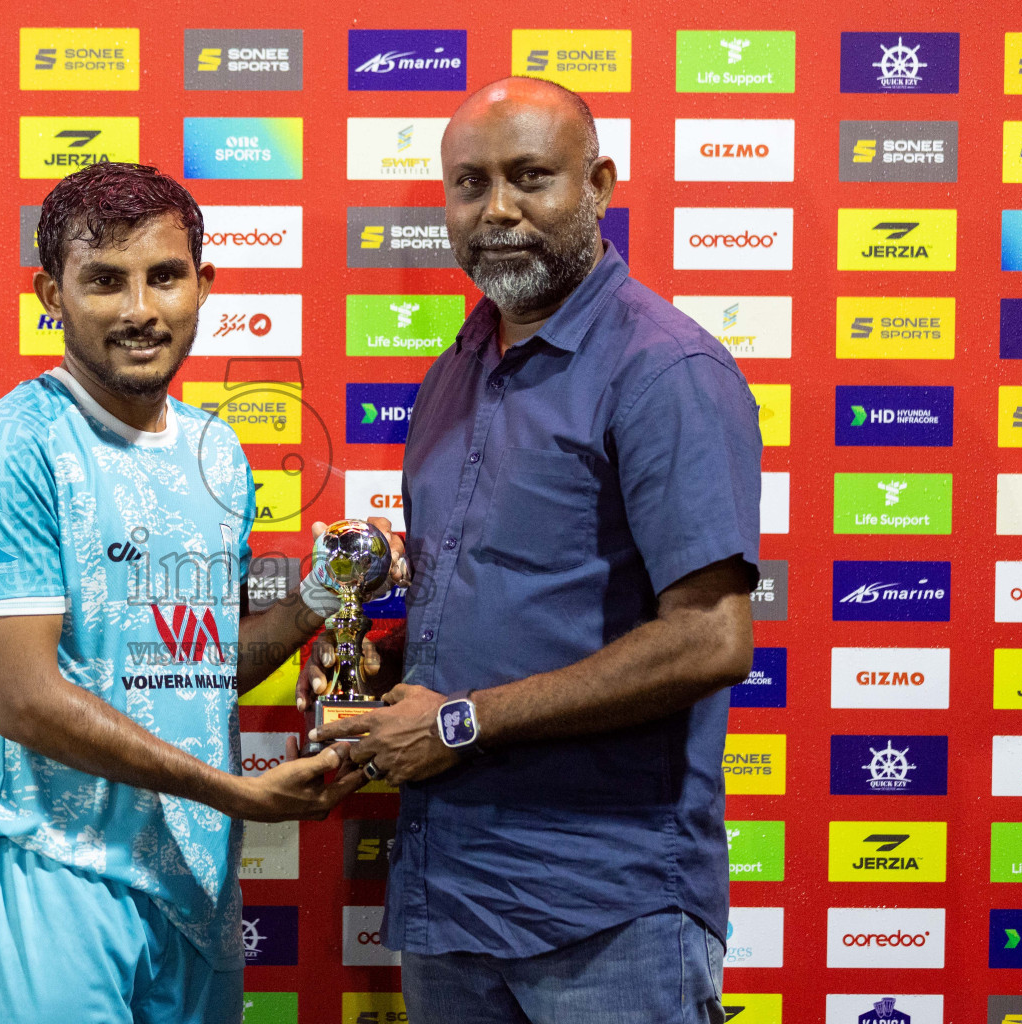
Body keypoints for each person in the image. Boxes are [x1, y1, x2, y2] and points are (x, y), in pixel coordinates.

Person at [306, 77, 763, 1023]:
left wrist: (459, 722)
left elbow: (711, 640)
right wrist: (377, 668)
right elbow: (501, 605)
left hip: (606, 905)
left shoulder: (664, 370)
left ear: (597, 182)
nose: (498, 210)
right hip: (454, 893)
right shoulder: (454, 373)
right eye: (470, 184)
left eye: (531, 178)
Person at [0, 162, 394, 1023]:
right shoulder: (14, 449)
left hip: (197, 887)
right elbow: (28, 702)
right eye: (104, 281)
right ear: (52, 292)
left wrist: (320, 602)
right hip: (58, 870)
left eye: (164, 276)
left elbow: (193, 666)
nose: (140, 310)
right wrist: (236, 793)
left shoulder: (217, 452)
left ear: (203, 285)